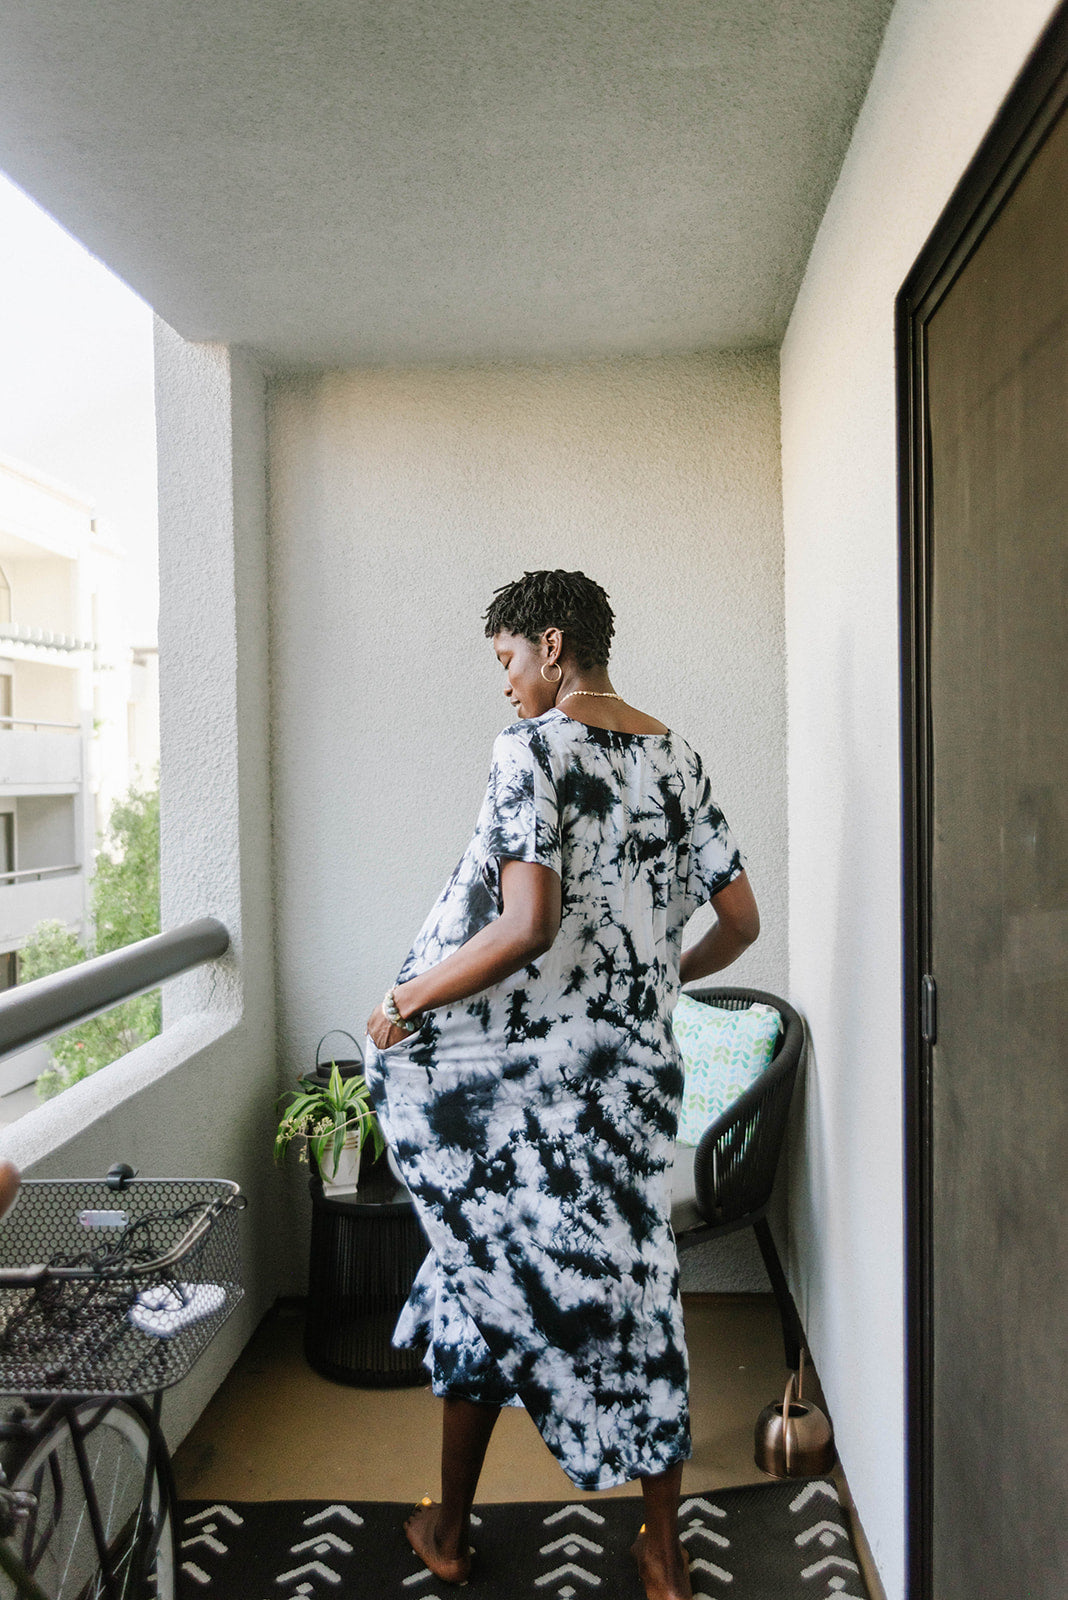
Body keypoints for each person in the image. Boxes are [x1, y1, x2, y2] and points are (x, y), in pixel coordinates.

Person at [364, 569, 759, 1600]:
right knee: (636, 1298)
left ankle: (448, 1529)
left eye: (505, 662)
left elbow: (522, 923)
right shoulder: (677, 755)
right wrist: (660, 972)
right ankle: (660, 1553)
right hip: (630, 1087)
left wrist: (406, 1001)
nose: (504, 687)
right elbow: (742, 919)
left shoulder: (531, 750)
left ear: (549, 644)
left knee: (478, 1270)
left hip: (527, 1094)